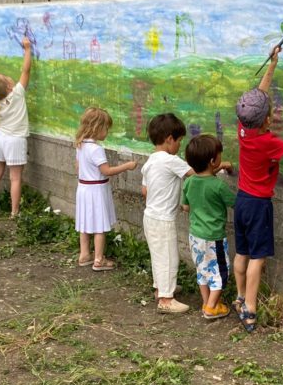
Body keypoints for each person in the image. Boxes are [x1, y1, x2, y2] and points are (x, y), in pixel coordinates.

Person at [233, 45, 283, 332]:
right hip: (258, 205)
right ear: (267, 119)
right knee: (257, 257)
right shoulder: (269, 142)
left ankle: (240, 296)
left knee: (241, 253)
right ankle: (251, 308)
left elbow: (259, 96)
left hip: (242, 200)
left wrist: (272, 64)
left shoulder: (244, 130)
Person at [141, 113, 194, 314]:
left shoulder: (151, 161)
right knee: (169, 258)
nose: (180, 145)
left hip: (150, 216)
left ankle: (160, 288)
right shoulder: (171, 160)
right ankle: (166, 299)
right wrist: (220, 167)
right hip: (163, 220)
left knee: (159, 256)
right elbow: (196, 174)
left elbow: (144, 191)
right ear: (169, 139)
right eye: (180, 141)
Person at [181, 134, 236, 320]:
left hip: (195, 236)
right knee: (220, 272)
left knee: (202, 270)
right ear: (213, 161)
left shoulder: (188, 182)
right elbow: (234, 203)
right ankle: (212, 307)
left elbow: (185, 206)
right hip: (214, 238)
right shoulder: (218, 186)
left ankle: (206, 302)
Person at [75, 107, 136, 271]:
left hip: (83, 188)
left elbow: (78, 167)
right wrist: (127, 166)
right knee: (99, 226)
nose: (107, 132)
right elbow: (107, 171)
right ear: (96, 128)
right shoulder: (96, 149)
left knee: (85, 223)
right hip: (96, 190)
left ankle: (84, 254)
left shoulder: (80, 145)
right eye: (106, 128)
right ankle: (98, 259)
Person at [0, 36, 33, 218]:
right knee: (15, 178)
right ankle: (14, 212)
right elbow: (26, 70)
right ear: (10, 87)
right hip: (15, 141)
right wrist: (27, 49)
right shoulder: (17, 94)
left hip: (0, 138)